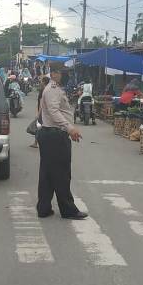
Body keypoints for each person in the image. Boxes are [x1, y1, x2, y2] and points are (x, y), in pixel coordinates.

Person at [37, 64, 86, 220]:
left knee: (48, 174)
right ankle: (68, 210)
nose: (66, 76)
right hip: (55, 136)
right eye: (63, 73)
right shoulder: (52, 90)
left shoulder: (56, 88)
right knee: (62, 173)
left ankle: (43, 208)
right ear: (55, 74)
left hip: (51, 135)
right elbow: (53, 111)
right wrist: (69, 128)